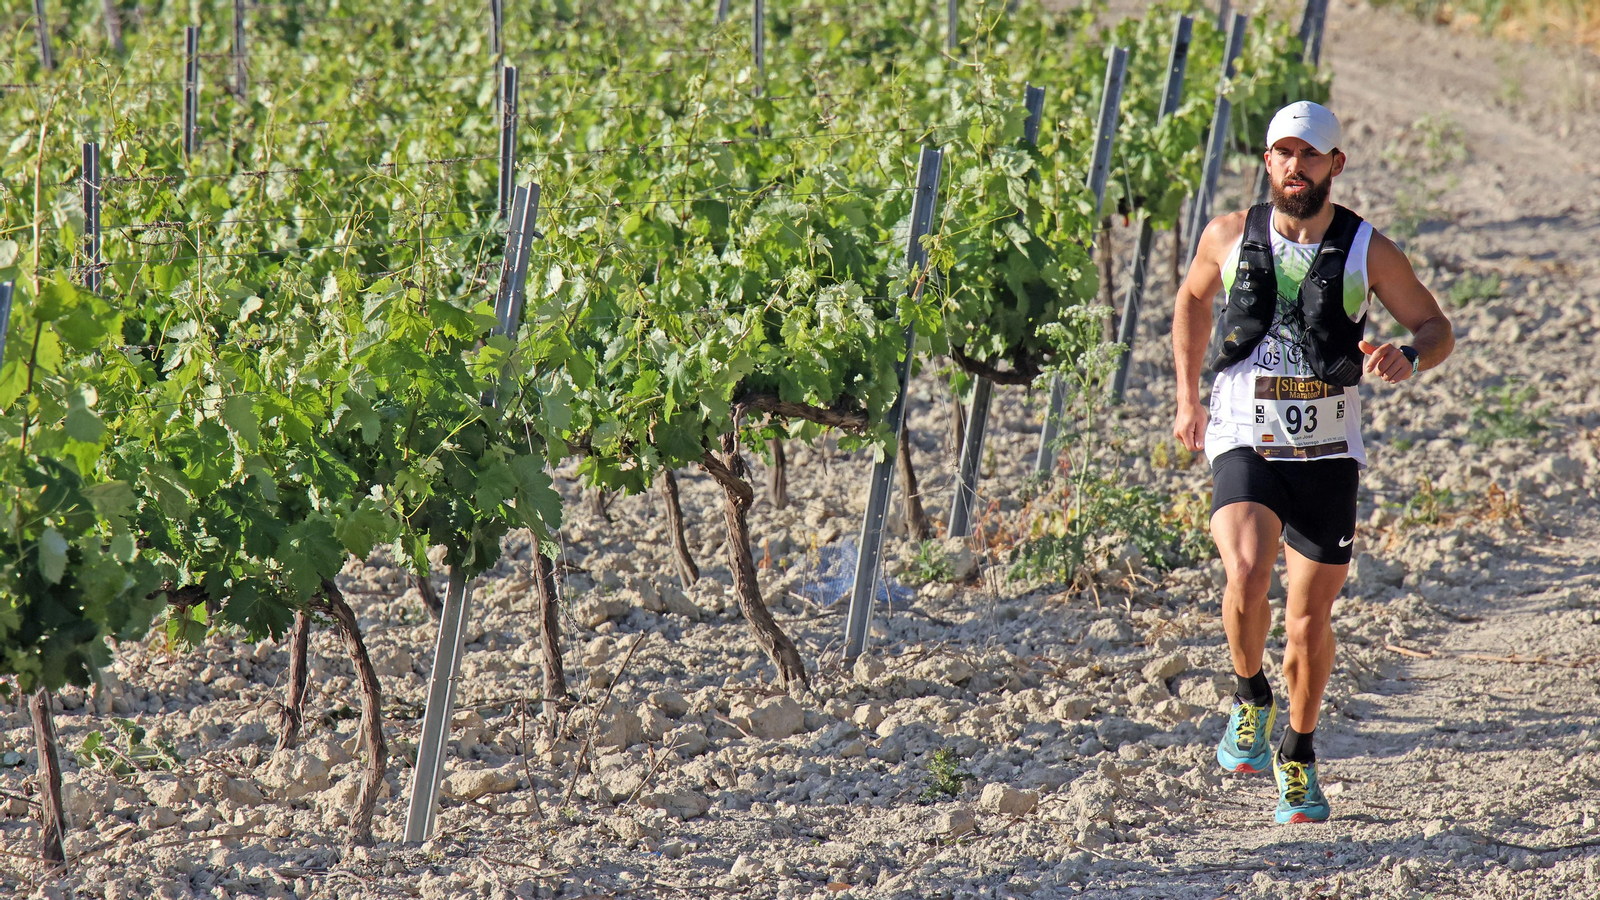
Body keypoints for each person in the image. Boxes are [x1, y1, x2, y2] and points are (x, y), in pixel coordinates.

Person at [1170, 101, 1455, 823]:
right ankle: (1249, 697)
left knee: (1306, 625)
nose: (1296, 167)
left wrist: (1409, 353)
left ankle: (1297, 751)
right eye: (1283, 154)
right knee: (1244, 566)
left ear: (1335, 166)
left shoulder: (1368, 250)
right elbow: (1193, 300)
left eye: (1311, 155)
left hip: (1328, 451)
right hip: (1244, 431)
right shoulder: (1229, 235)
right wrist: (1187, 396)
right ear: (1268, 162)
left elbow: (1435, 325)